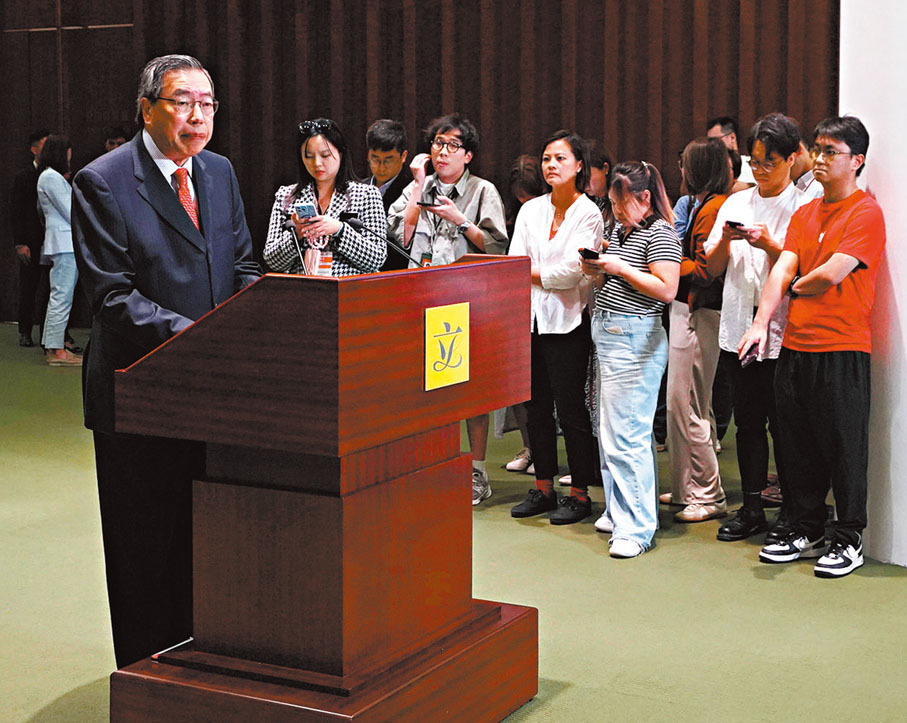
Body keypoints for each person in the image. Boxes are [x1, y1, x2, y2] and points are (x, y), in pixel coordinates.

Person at [71, 54, 261, 668]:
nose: (197, 116)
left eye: (207, 103)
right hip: (139, 397)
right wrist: (205, 337)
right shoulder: (102, 180)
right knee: (146, 549)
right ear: (147, 108)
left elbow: (244, 267)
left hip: (215, 397)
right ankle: (149, 679)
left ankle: (205, 665)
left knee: (207, 541)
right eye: (182, 102)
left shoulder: (219, 171)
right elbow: (113, 297)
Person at [740, 116, 885, 578]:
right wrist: (761, 321)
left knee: (843, 447)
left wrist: (790, 284)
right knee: (796, 446)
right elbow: (781, 269)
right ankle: (804, 525)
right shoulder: (806, 213)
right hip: (796, 348)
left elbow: (828, 275)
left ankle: (848, 537)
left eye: (832, 153)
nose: (819, 160)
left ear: (856, 161)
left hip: (842, 350)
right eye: (817, 150)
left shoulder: (866, 212)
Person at [388, 113, 508, 505]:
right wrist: (419, 187)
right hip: (419, 297)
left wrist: (460, 221)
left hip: (467, 301)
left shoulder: (482, 190)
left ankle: (477, 471)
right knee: (424, 387)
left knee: (470, 392)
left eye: (452, 145)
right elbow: (396, 240)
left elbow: (497, 247)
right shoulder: (416, 187)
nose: (442, 152)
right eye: (438, 143)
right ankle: (431, 465)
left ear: (468, 155)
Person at [703, 113, 811, 543]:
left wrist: (769, 244)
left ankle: (789, 511)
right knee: (747, 423)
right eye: (756, 160)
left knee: (783, 425)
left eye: (770, 161)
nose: (761, 170)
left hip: (783, 331)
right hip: (736, 324)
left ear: (791, 159)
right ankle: (750, 507)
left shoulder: (803, 206)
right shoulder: (735, 202)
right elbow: (710, 270)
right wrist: (727, 241)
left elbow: (803, 267)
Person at [581, 161, 681, 558]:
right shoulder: (618, 230)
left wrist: (618, 267)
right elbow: (611, 280)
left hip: (635, 338)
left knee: (628, 437)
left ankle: (637, 527)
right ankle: (619, 508)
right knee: (609, 433)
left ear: (644, 198)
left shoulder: (660, 232)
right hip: (607, 331)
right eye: (612, 203)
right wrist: (595, 269)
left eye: (621, 204)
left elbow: (667, 288)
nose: (616, 211)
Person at [507, 131, 603, 525]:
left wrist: (534, 274)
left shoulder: (589, 212)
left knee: (571, 410)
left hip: (568, 323)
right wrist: (538, 275)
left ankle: (579, 493)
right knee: (536, 409)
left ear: (579, 165)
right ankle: (543, 486)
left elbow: (573, 271)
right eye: (547, 158)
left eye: (560, 158)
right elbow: (513, 263)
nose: (551, 165)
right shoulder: (531, 211)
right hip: (529, 321)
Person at [264, 118, 386, 277]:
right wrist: (298, 234)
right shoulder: (286, 197)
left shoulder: (366, 195)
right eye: (308, 156)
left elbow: (376, 258)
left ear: (340, 153)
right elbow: (272, 259)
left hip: (350, 293)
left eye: (325, 155)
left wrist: (339, 230)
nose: (317, 163)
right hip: (302, 294)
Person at [502, 153, 547, 475]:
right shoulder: (514, 214)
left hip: (549, 307)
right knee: (521, 386)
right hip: (516, 304)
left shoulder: (551, 210)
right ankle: (530, 447)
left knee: (548, 390)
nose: (524, 203)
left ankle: (548, 454)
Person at [36, 135, 81, 366]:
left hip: (63, 243)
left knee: (60, 296)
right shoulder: (51, 177)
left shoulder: (50, 177)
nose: (70, 158)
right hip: (64, 244)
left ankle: (54, 345)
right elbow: (71, 211)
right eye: (67, 154)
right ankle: (56, 350)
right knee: (61, 296)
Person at [9, 129, 50, 348]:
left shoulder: (57, 175)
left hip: (51, 241)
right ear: (34, 149)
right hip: (31, 242)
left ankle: (48, 332)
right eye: (44, 145)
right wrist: (20, 243)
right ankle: (25, 331)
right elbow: (17, 212)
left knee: (52, 289)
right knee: (29, 287)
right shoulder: (24, 177)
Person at [707, 116, 755, 186]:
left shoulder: (751, 166)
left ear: (732, 138)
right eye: (709, 141)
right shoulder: (710, 169)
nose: (711, 145)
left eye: (715, 140)